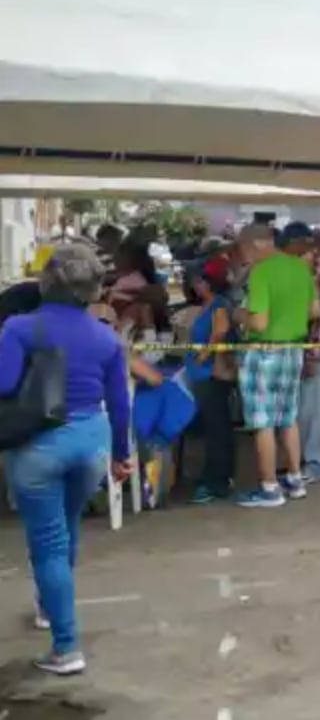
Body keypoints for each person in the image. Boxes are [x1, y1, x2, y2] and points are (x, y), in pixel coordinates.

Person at [0, 244, 131, 675]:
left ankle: (66, 646)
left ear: (46, 282)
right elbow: (118, 401)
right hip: (92, 442)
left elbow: (3, 386)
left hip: (39, 447)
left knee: (48, 546)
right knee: (67, 528)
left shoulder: (20, 328)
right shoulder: (106, 337)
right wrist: (121, 457)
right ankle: (48, 607)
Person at [234, 224, 316, 508]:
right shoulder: (300, 268)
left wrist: (240, 314)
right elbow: (314, 311)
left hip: (263, 351)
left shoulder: (262, 272)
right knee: (288, 417)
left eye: (243, 249)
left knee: (262, 422)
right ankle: (295, 479)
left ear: (255, 244)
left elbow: (258, 322)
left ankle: (269, 488)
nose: (243, 256)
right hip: (294, 350)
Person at [285, 223, 320, 484]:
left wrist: (311, 352)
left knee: (314, 411)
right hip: (302, 349)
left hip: (318, 352)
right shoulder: (300, 267)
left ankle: (318, 463)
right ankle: (303, 462)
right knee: (302, 411)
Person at [185, 256, 238, 504]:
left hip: (212, 374)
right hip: (203, 373)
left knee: (218, 429)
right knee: (215, 427)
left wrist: (202, 355)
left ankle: (217, 480)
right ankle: (217, 476)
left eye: (199, 281)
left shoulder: (219, 305)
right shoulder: (208, 305)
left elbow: (220, 333)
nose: (196, 286)